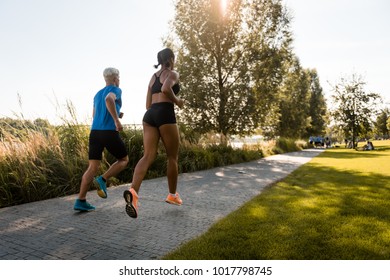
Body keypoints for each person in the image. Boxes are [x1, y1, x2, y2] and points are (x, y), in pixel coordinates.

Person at [123, 48, 184, 219]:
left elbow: (147, 104)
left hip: (150, 115)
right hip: (165, 113)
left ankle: (133, 192)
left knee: (148, 156)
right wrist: (178, 101)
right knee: (172, 157)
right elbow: (166, 89)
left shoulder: (152, 77)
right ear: (171, 58)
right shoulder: (173, 73)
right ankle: (172, 195)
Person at [74, 67, 129, 211]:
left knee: (92, 167)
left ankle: (81, 200)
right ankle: (103, 179)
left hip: (95, 132)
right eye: (119, 78)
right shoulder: (116, 90)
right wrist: (116, 121)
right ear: (116, 79)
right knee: (124, 160)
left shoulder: (97, 94)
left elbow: (96, 114)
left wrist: (117, 114)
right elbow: (109, 99)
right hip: (108, 132)